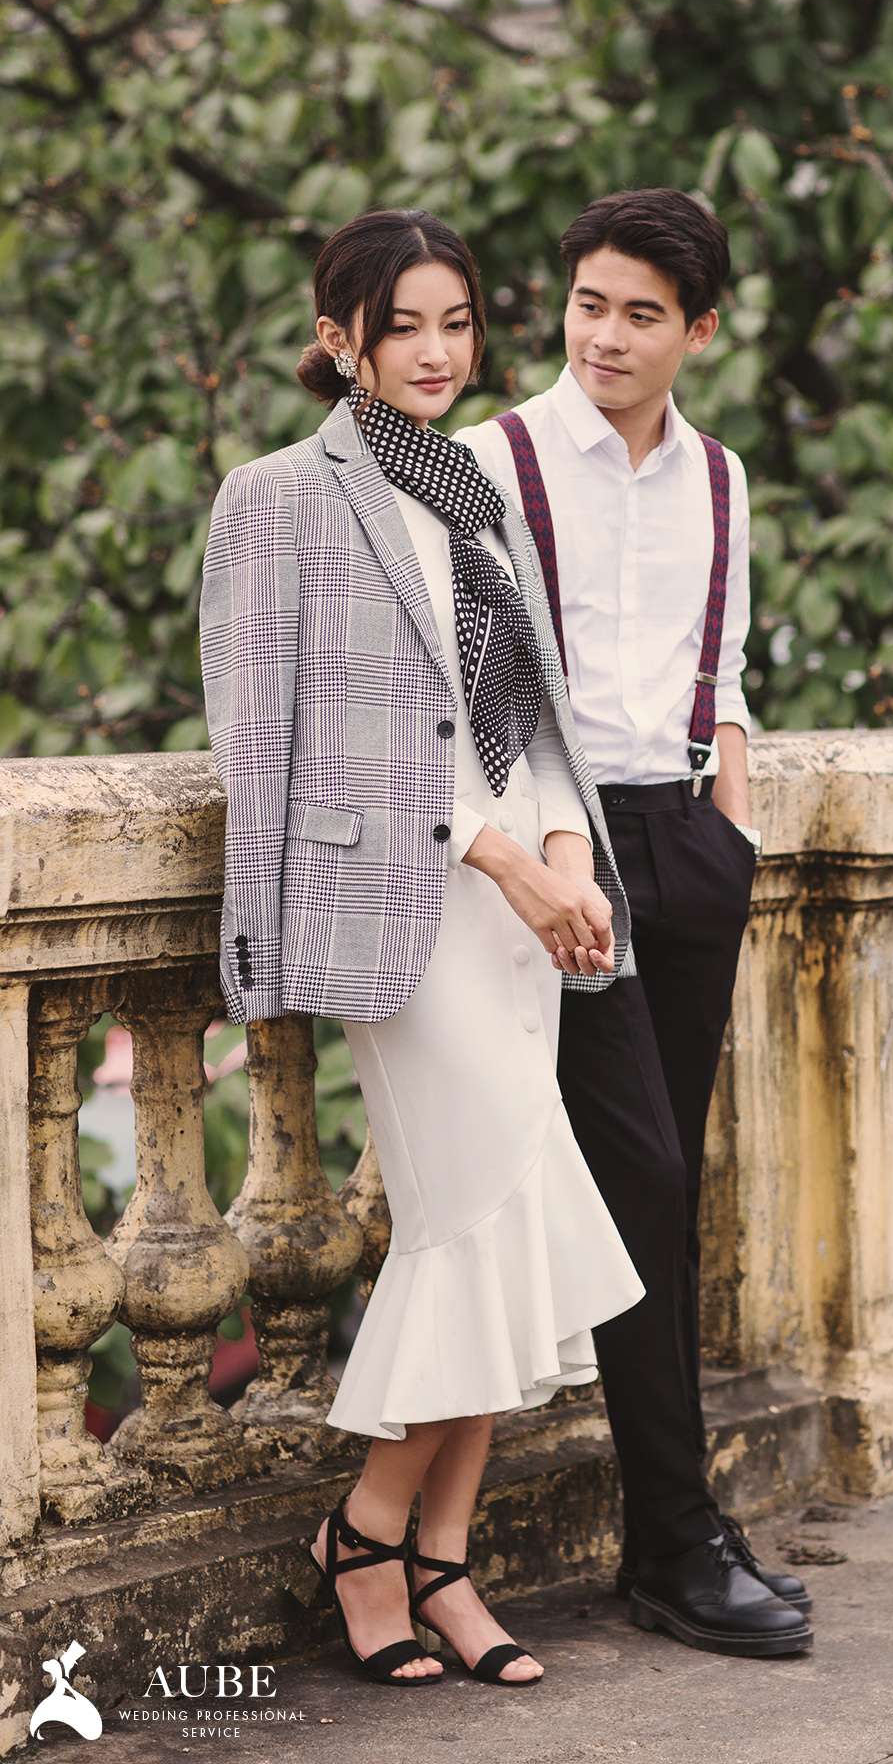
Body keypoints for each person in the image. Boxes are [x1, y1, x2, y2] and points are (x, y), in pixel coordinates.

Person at [199, 208, 645, 1692]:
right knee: (473, 1224)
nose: (438, 353)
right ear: (339, 339)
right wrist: (502, 858)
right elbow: (265, 746)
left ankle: (436, 1560)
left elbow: (534, 708)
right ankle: (369, 1527)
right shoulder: (275, 499)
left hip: (525, 913)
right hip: (408, 909)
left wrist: (564, 852)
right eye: (404, 327)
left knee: (505, 1228)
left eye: (458, 323)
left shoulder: (477, 488)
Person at [459, 187, 813, 1659]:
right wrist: (552, 852)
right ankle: (676, 1537)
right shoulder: (492, 463)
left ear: (699, 332)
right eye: (587, 304)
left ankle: (675, 1538)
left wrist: (732, 820)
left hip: (684, 843)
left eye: (640, 315)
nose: (603, 336)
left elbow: (720, 667)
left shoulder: (720, 479)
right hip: (560, 849)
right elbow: (477, 686)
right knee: (642, 1177)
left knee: (669, 1187)